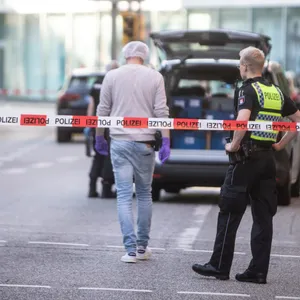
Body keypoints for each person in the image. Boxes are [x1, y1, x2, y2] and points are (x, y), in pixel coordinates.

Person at [192, 46, 300, 284]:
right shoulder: (276, 91)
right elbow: (297, 121)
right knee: (263, 217)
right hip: (266, 162)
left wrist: (233, 146)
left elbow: (242, 122)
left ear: (244, 67)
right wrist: (281, 145)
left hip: (245, 159)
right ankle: (258, 271)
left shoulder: (246, 89)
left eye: (240, 64)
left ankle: (219, 266)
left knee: (230, 211)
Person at [94, 41, 170, 263]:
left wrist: (99, 136)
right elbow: (161, 112)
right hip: (145, 142)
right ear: (144, 56)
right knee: (145, 193)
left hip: (119, 142)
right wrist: (166, 140)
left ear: (125, 54)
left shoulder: (112, 76)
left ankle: (129, 250)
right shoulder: (155, 77)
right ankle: (141, 247)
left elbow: (103, 110)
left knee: (124, 196)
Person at [86, 60, 119, 198]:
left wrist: (88, 124)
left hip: (97, 124)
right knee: (109, 157)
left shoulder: (96, 83)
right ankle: (106, 189)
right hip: (111, 125)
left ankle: (92, 188)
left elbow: (91, 105)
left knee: (98, 155)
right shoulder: (116, 83)